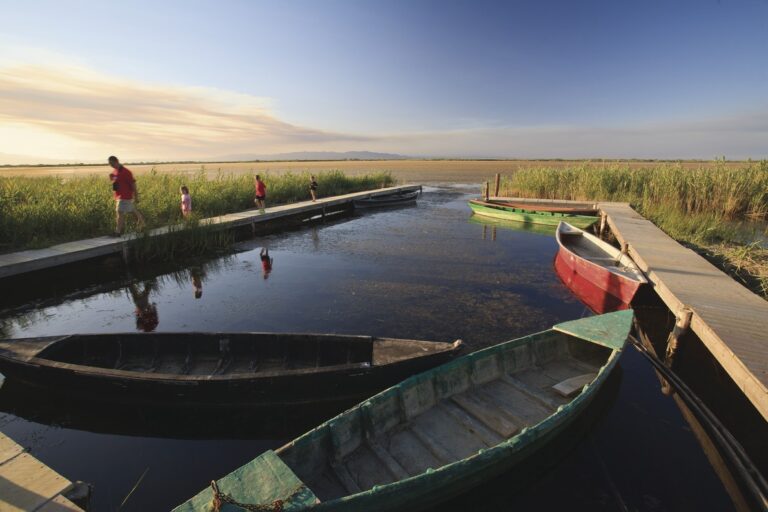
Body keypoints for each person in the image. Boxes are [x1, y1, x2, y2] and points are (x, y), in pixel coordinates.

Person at [108, 156, 145, 236]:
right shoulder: (115, 171)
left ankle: (118, 232)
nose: (111, 165)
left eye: (112, 163)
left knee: (119, 212)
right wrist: (112, 178)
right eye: (110, 164)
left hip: (125, 196)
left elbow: (133, 184)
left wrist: (136, 196)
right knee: (133, 211)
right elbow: (116, 182)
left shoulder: (126, 172)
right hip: (119, 196)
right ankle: (143, 225)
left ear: (117, 161)